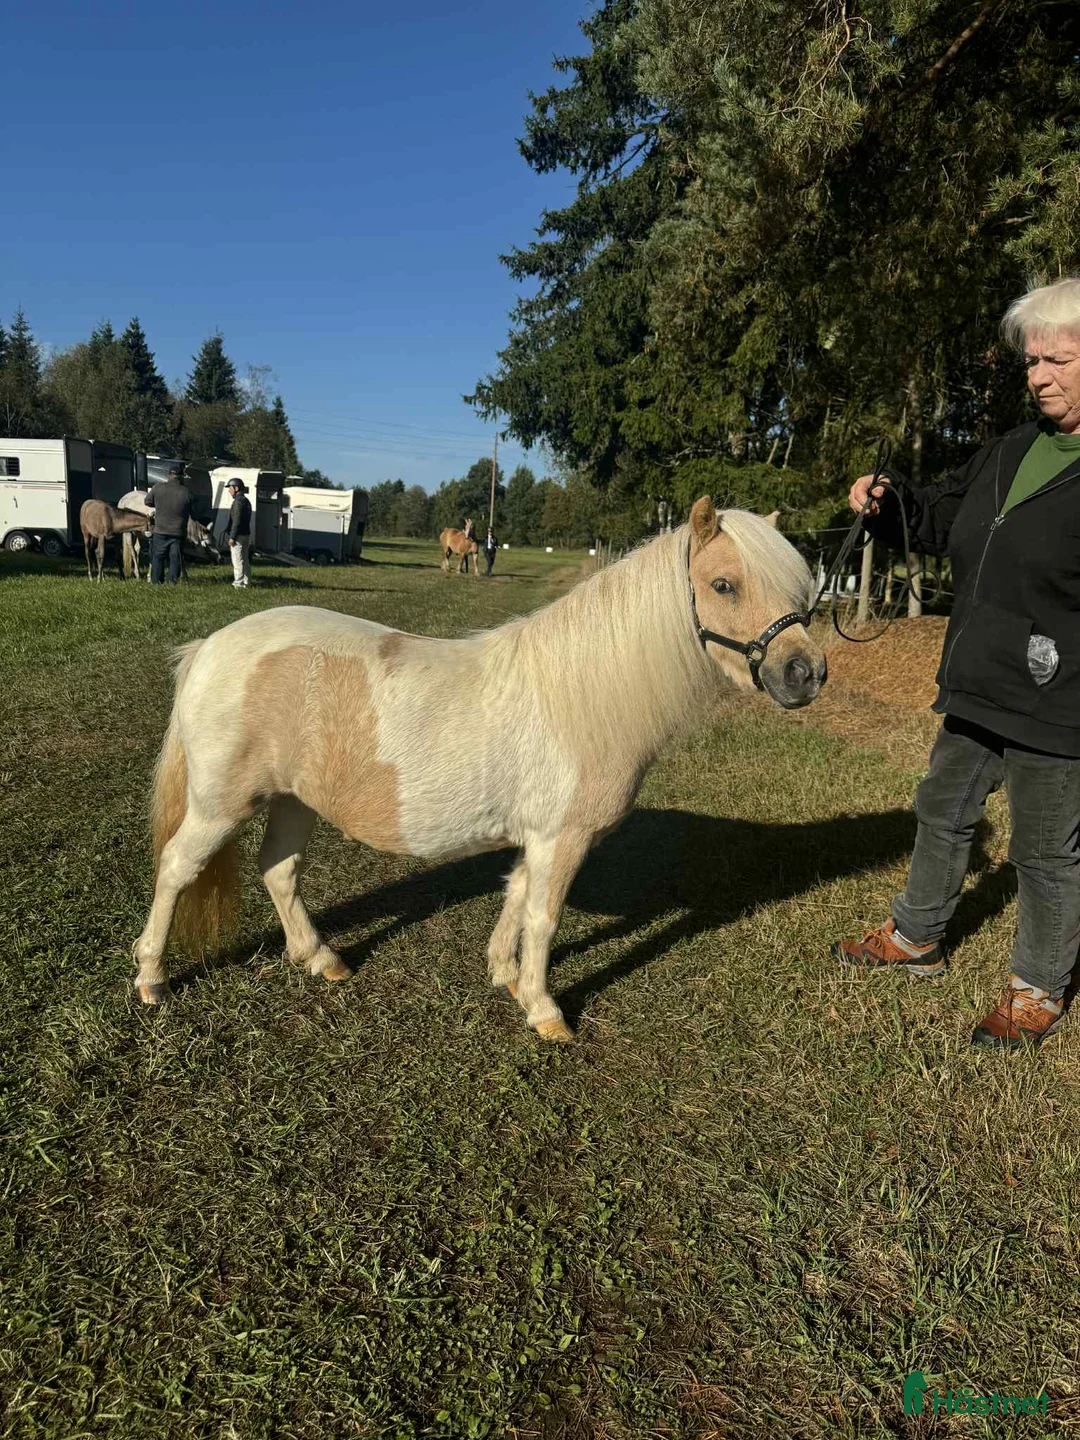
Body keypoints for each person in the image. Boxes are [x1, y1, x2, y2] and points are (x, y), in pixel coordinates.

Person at [834, 276, 1080, 1050]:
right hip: (977, 676)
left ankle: (1037, 987)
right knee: (942, 808)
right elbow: (941, 516)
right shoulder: (1010, 449)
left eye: (1058, 361)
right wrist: (889, 502)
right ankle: (917, 936)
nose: (1039, 377)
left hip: (1058, 698)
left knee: (1044, 852)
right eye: (1032, 361)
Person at [145, 464, 193, 585]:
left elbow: (147, 501)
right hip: (177, 531)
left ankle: (156, 581)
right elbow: (194, 512)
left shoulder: (158, 487)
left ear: (169, 475)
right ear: (181, 477)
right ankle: (172, 582)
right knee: (175, 558)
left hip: (160, 530)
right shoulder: (186, 492)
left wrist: (159, 505)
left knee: (158, 557)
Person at [222, 477, 253, 588]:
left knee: (237, 561)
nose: (229, 490)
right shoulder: (246, 501)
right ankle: (247, 582)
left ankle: (238, 584)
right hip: (246, 534)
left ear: (236, 488)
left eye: (230, 488)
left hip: (238, 536)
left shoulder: (237, 502)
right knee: (245, 560)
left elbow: (236, 521)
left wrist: (232, 537)